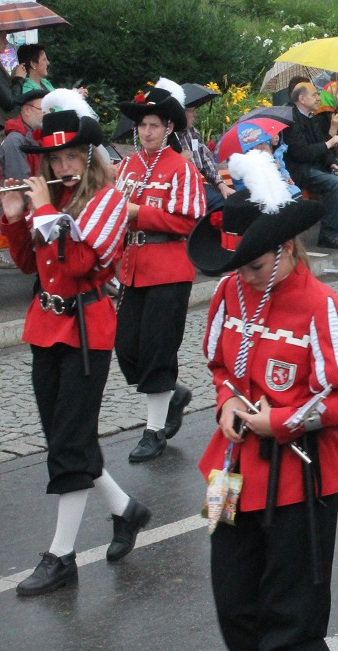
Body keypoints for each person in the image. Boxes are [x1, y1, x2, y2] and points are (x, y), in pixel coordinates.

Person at [188, 151, 338, 651]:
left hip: (299, 479)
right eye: (236, 265)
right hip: (230, 473)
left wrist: (283, 420)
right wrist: (226, 402)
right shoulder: (230, 293)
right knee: (236, 608)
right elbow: (219, 365)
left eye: (250, 263)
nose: (240, 276)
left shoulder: (324, 308)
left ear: (287, 249)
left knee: (290, 619)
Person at [2, 89, 152, 596]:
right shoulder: (55, 199)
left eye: (69, 157)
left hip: (88, 333)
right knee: (65, 436)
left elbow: (77, 268)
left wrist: (42, 211)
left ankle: (61, 555)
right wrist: (16, 214)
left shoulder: (108, 202)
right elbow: (30, 266)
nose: (61, 165)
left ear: (87, 158)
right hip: (47, 327)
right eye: (54, 158)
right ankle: (126, 510)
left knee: (68, 439)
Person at [114, 78, 205, 463]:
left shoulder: (180, 168)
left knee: (156, 349)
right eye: (142, 125)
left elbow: (191, 221)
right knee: (125, 348)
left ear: (169, 128)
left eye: (154, 125)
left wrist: (140, 214)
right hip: (131, 267)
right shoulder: (129, 166)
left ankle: (153, 431)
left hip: (169, 268)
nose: (146, 132)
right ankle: (174, 393)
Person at [283, 82, 338, 249]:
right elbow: (301, 153)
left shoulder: (311, 117)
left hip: (316, 166)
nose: (319, 98)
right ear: (301, 98)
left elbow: (321, 147)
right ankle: (328, 234)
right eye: (315, 95)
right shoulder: (291, 119)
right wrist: (329, 143)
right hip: (299, 170)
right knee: (334, 184)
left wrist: (333, 164)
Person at [178, 92, 234, 212]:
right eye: (192, 111)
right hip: (179, 188)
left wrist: (221, 185)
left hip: (197, 186)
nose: (195, 115)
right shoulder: (168, 136)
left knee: (229, 201)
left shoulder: (193, 132)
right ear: (181, 111)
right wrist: (179, 161)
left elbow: (206, 161)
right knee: (219, 205)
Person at [0, 89, 46, 184]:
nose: (48, 114)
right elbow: (21, 186)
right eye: (43, 110)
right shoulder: (15, 141)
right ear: (27, 110)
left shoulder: (38, 136)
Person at [0, 30, 27, 140]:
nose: (6, 41)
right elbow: (9, 102)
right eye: (3, 38)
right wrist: (18, 79)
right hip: (0, 129)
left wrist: (13, 78)